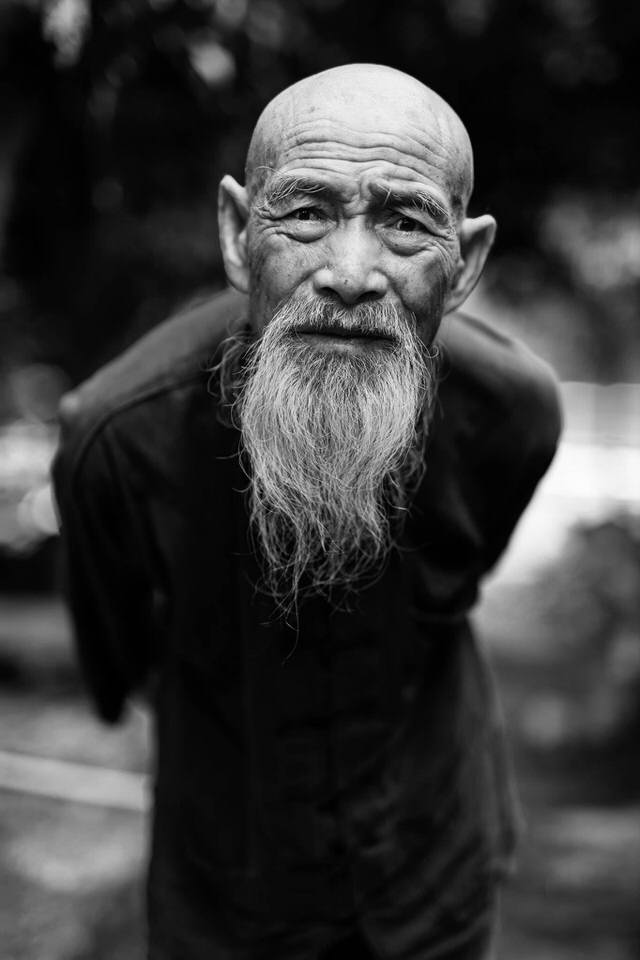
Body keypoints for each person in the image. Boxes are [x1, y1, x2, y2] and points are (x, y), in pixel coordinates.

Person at [53, 64, 561, 960]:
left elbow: (464, 581)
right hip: (227, 897)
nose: (352, 272)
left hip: (436, 870)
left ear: (468, 261)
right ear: (239, 231)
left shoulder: (511, 412)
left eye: (406, 222)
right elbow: (119, 657)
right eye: (306, 213)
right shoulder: (117, 441)